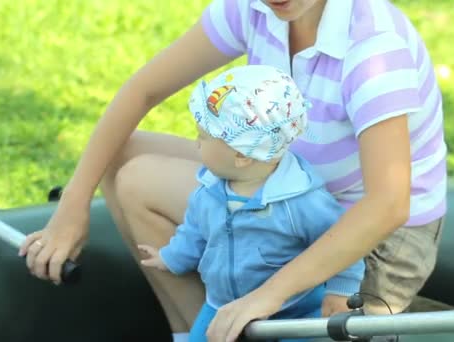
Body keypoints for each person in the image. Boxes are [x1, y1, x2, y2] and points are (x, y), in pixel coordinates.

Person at [19, 0, 447, 341]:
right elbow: (143, 88)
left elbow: (388, 205)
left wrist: (268, 295)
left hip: (372, 238)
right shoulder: (254, 8)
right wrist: (72, 206)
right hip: (281, 178)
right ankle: (193, 329)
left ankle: (237, 315)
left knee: (139, 180)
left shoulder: (374, 50)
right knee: (123, 154)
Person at [136, 65, 365, 342]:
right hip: (222, 305)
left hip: (295, 312)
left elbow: (342, 243)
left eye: (204, 137)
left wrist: (340, 290)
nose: (196, 144)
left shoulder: (300, 201)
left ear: (242, 155)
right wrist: (170, 257)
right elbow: (195, 231)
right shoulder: (209, 189)